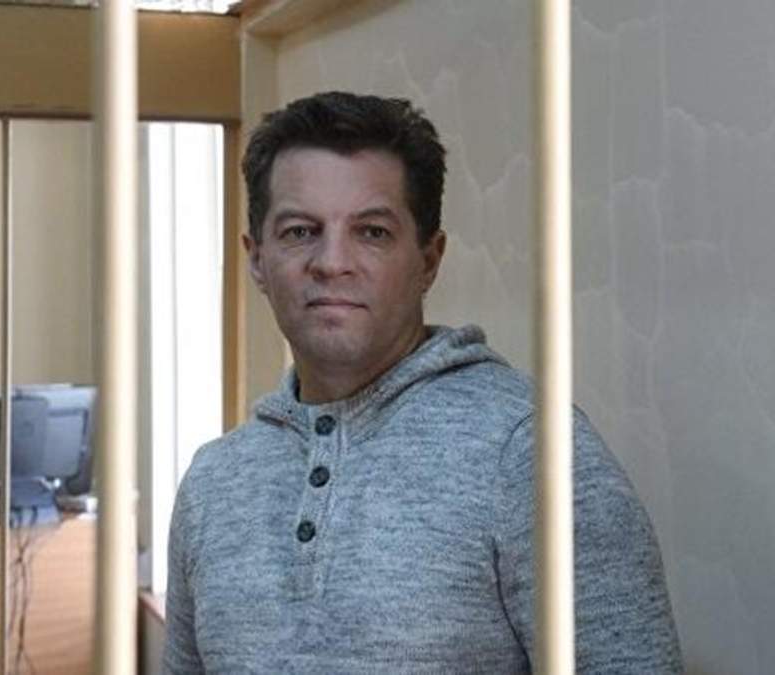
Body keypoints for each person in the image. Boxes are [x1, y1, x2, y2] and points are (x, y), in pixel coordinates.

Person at [165, 91, 682, 673]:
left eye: (372, 232)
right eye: (300, 231)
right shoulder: (212, 482)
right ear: (257, 259)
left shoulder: (532, 453)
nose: (332, 262)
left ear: (429, 260)